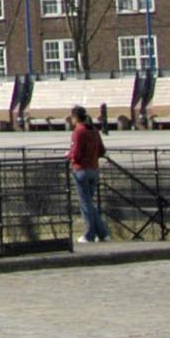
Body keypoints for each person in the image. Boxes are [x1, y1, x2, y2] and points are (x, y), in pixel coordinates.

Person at [66, 104, 109, 243]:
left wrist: (69, 156)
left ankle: (89, 234)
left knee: (85, 203)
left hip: (81, 170)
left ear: (75, 117)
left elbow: (76, 154)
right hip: (94, 169)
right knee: (89, 203)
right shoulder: (94, 131)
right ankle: (102, 233)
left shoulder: (78, 131)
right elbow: (102, 151)